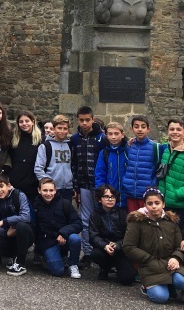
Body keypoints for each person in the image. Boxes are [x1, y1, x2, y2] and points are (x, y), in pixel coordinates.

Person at [123, 187, 184, 304]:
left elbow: (179, 245)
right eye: (150, 203)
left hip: (170, 264)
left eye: (157, 203)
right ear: (145, 205)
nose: (154, 206)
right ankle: (147, 287)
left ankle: (170, 284)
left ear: (163, 204)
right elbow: (129, 247)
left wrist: (176, 258)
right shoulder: (136, 222)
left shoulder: (171, 221)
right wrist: (148, 259)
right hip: (150, 266)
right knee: (160, 297)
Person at [69, 105, 105, 262]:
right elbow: (74, 163)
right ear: (77, 120)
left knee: (103, 218)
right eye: (81, 120)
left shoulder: (102, 138)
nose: (84, 123)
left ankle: (103, 252)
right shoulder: (75, 139)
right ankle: (88, 253)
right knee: (85, 220)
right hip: (84, 184)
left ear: (93, 119)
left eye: (87, 120)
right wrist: (75, 186)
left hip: (100, 185)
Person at [0, 172, 34, 276]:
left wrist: (4, 221)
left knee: (22, 226)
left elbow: (26, 217)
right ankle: (13, 255)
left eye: (1, 186)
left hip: (25, 232)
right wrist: (6, 233)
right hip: (8, 233)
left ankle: (21, 263)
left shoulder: (19, 195)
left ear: (8, 186)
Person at [32, 176, 83, 278]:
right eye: (45, 190)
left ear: (55, 190)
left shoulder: (65, 203)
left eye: (51, 190)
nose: (48, 193)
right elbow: (34, 227)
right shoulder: (35, 205)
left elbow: (78, 223)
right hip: (48, 242)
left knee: (75, 239)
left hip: (64, 238)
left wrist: (63, 233)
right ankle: (47, 257)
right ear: (39, 190)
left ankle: (73, 264)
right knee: (58, 271)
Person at [89, 184, 135, 284]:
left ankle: (119, 268)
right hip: (104, 249)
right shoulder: (95, 214)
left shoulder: (123, 213)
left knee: (127, 280)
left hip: (121, 249)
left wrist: (117, 245)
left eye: (112, 197)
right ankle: (105, 268)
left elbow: (129, 235)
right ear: (99, 199)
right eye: (106, 197)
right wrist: (105, 246)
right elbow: (93, 236)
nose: (110, 199)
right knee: (95, 254)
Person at [122, 115, 158, 212]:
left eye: (143, 126)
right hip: (130, 192)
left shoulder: (155, 147)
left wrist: (153, 184)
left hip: (147, 194)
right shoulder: (129, 146)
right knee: (133, 219)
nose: (140, 129)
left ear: (148, 129)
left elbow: (159, 169)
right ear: (132, 129)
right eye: (136, 126)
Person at [34, 114, 73, 200]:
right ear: (54, 129)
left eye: (65, 128)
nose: (62, 131)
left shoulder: (70, 145)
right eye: (59, 128)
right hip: (51, 190)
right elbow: (38, 168)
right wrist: (48, 184)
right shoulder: (45, 146)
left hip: (68, 188)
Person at [8, 110, 42, 200]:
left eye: (27, 121)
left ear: (33, 122)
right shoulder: (13, 139)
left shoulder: (40, 140)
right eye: (21, 122)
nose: (24, 124)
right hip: (15, 182)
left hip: (32, 184)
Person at [95, 122, 129, 209]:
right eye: (110, 134)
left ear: (122, 135)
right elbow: (100, 174)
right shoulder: (104, 153)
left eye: (116, 134)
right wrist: (102, 192)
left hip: (128, 196)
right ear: (106, 135)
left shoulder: (128, 151)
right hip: (111, 197)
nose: (113, 137)